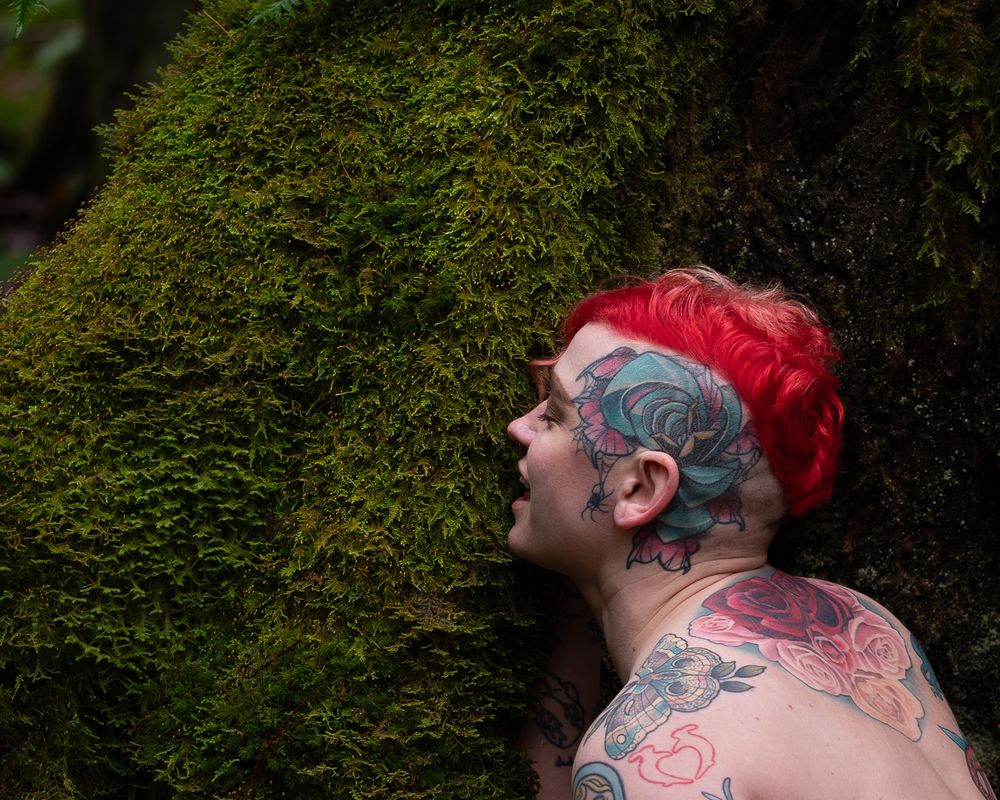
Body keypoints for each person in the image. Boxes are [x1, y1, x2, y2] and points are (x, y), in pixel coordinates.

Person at [508, 267, 995, 800]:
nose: (520, 427)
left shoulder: (658, 757)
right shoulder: (862, 625)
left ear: (642, 490)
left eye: (554, 413)